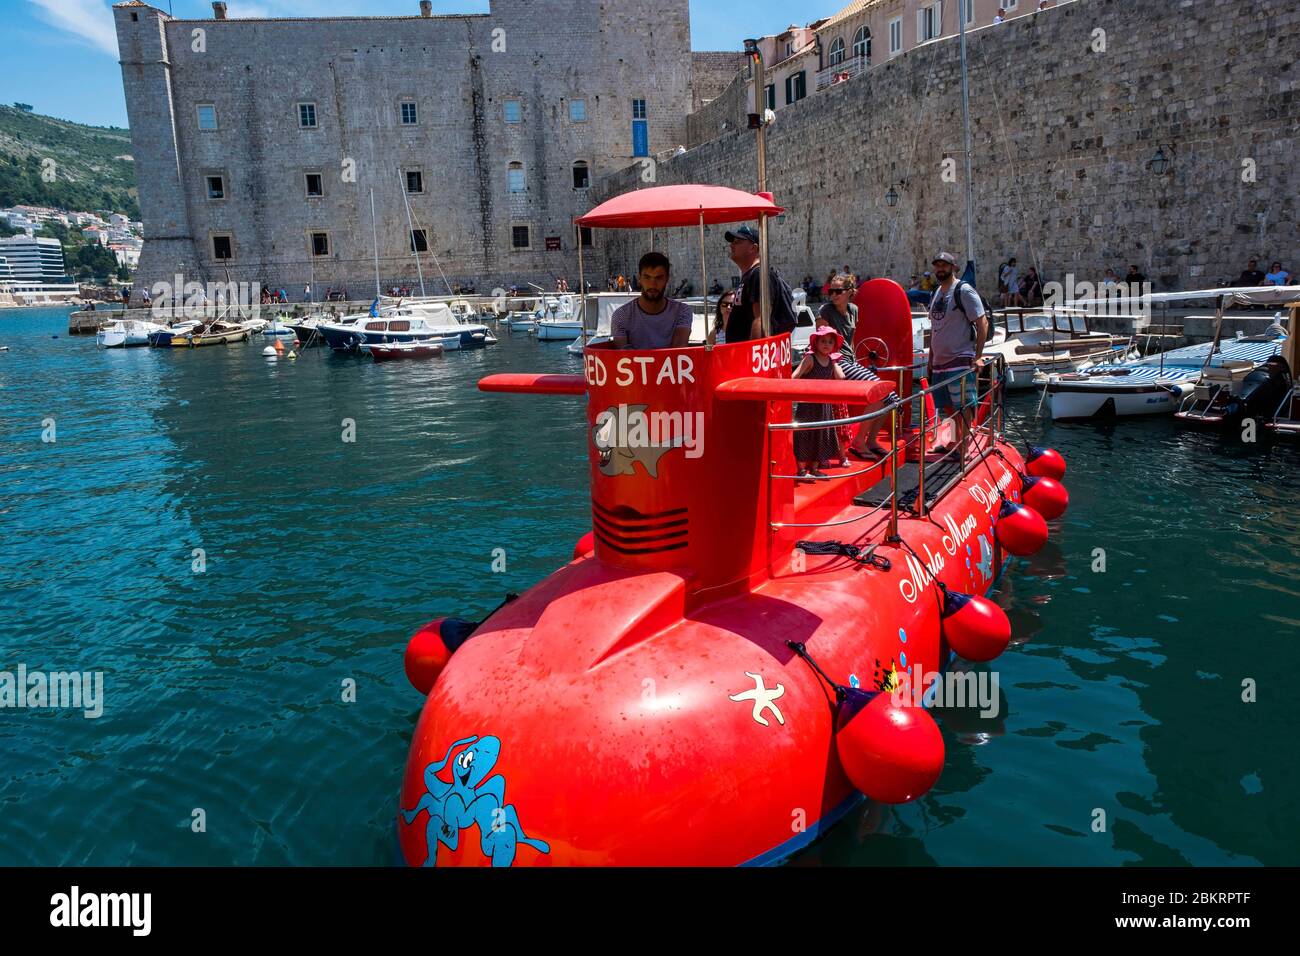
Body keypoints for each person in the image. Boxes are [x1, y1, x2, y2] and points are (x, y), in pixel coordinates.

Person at [927, 252, 988, 454]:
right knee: (947, 407)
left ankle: (963, 446)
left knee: (963, 406)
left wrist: (978, 356)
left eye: (944, 265)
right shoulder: (936, 292)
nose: (940, 269)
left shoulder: (964, 290)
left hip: (959, 358)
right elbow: (935, 328)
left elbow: (982, 322)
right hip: (939, 361)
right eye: (937, 265)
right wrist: (930, 360)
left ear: (954, 267)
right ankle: (952, 441)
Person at [723, 225, 797, 343]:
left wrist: (755, 351)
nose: (732, 245)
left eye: (737, 242)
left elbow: (761, 318)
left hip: (750, 356)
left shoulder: (759, 274)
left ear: (753, 247)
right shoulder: (750, 276)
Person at [792, 328, 846, 481]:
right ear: (816, 342)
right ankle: (801, 470)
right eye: (823, 341)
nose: (826, 345)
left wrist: (835, 362)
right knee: (804, 435)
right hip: (808, 405)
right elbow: (795, 376)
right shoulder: (810, 359)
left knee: (821, 435)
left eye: (830, 342)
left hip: (824, 405)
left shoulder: (831, 361)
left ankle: (815, 468)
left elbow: (841, 377)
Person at [610, 252, 693, 349]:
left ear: (667, 279)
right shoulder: (621, 316)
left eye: (659, 278)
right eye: (647, 277)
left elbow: (678, 352)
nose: (652, 284)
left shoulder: (682, 311)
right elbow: (624, 359)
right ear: (639, 278)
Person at [818, 274, 858, 340]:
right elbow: (821, 341)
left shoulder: (853, 309)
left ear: (849, 292)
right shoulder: (825, 310)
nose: (833, 295)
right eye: (831, 291)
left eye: (838, 291)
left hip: (849, 350)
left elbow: (851, 340)